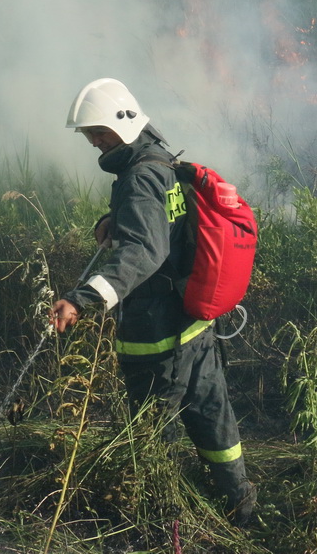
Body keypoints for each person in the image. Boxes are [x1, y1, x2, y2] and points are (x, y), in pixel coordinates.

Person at [50, 77, 256, 526]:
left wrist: (82, 299)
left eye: (99, 133)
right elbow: (162, 220)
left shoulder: (139, 175)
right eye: (90, 136)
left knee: (147, 433)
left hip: (158, 330)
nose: (94, 143)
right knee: (211, 415)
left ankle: (159, 520)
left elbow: (145, 251)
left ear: (123, 125)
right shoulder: (160, 160)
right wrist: (115, 218)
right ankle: (241, 505)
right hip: (193, 320)